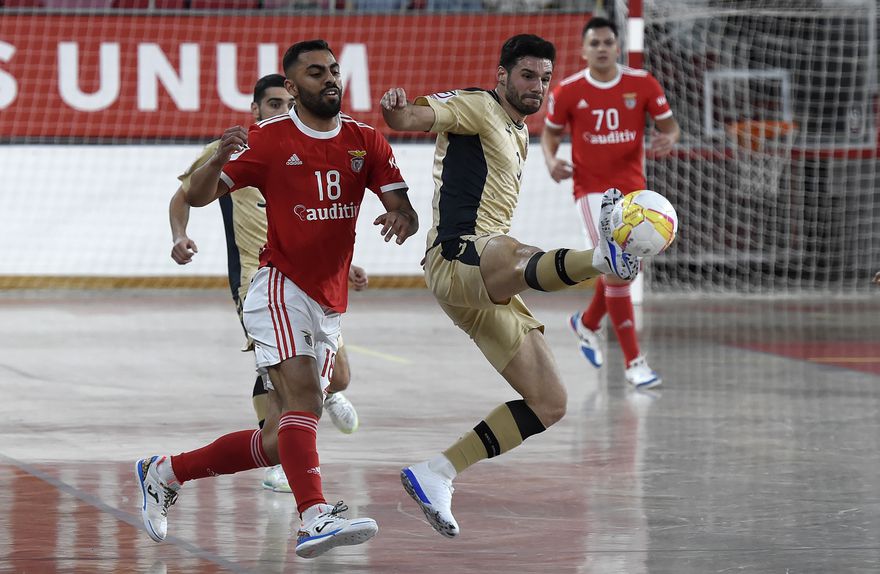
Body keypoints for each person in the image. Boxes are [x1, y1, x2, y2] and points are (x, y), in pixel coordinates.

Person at [137, 39, 419, 559]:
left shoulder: (366, 140)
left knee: (277, 440)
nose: (329, 79)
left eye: (333, 70)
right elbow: (196, 196)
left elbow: (402, 204)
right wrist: (221, 155)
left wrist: (403, 218)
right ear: (292, 87)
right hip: (277, 286)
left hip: (328, 299)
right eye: (315, 73)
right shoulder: (267, 141)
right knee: (308, 399)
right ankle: (313, 517)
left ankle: (164, 471)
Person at [381, 34, 639, 538]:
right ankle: (603, 259)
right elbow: (409, 119)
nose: (537, 87)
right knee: (515, 252)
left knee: (550, 402)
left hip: (483, 283)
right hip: (458, 258)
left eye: (545, 78)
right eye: (527, 76)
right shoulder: (478, 106)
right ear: (502, 76)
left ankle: (437, 472)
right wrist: (396, 110)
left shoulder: (520, 132)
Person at [169, 73, 363, 495]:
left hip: (312, 284)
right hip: (258, 283)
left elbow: (319, 220)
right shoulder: (234, 151)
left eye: (284, 103)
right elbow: (183, 196)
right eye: (271, 104)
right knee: (280, 380)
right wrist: (179, 236)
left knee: (340, 376)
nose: (280, 110)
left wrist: (346, 266)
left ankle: (312, 406)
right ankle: (286, 468)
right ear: (255, 109)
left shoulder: (301, 149)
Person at [541, 16, 680, 389]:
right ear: (584, 50)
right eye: (594, 43)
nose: (601, 49)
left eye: (607, 42)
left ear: (618, 47)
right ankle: (635, 363)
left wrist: (668, 139)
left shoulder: (642, 84)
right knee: (620, 269)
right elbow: (549, 136)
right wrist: (551, 160)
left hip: (636, 194)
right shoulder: (569, 91)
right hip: (592, 191)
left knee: (620, 265)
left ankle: (586, 324)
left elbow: (670, 127)